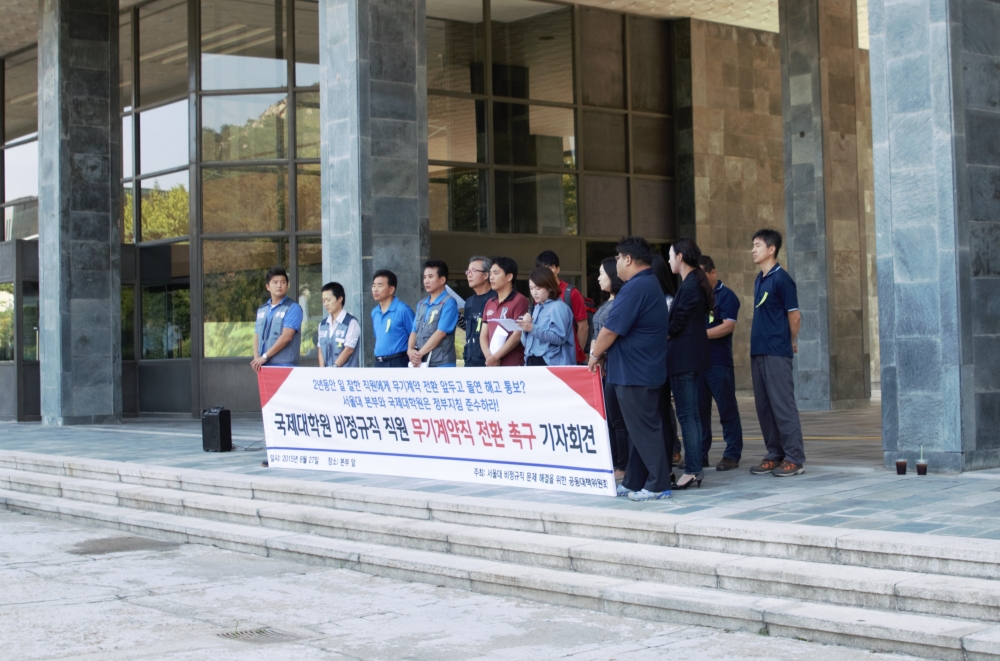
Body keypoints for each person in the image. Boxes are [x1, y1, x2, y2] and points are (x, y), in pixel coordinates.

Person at [589, 237, 671, 502]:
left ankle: (659, 484)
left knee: (645, 429)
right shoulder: (645, 284)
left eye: (617, 258)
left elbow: (610, 330)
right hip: (635, 370)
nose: (616, 263)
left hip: (637, 372)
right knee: (638, 430)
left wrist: (595, 355)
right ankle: (634, 481)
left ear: (628, 259)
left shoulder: (636, 287)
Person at [749, 229, 806, 477]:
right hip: (759, 350)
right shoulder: (759, 279)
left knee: (783, 405)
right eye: (753, 245)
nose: (753, 250)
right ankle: (775, 453)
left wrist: (790, 340)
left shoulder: (782, 279)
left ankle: (795, 457)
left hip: (777, 351)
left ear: (771, 249)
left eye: (758, 245)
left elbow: (795, 316)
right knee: (765, 407)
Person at [667, 238, 713, 490]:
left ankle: (693, 469)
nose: (669, 260)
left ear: (680, 256)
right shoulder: (694, 282)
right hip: (690, 356)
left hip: (684, 357)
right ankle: (694, 468)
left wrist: (661, 332)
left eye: (671, 255)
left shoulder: (691, 285)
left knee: (687, 415)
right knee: (691, 415)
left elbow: (676, 324)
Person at [697, 256, 744, 470]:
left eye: (702, 275)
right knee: (699, 410)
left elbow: (728, 326)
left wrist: (699, 335)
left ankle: (732, 453)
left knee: (727, 408)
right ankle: (700, 453)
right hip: (698, 362)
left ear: (713, 273)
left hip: (718, 362)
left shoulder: (726, 296)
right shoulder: (696, 296)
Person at [595, 257, 629, 480]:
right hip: (602, 366)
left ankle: (622, 465)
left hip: (613, 366)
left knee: (618, 420)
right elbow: (597, 334)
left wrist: (597, 355)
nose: (598, 278)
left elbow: (611, 335)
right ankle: (614, 461)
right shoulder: (607, 301)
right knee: (609, 419)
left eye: (602, 274)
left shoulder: (621, 302)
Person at [651, 253, 681, 471]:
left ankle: (673, 449)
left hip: (662, 361)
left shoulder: (668, 301)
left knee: (664, 408)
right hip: (651, 362)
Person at [536, 250, 589, 363]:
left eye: (550, 267)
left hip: (567, 358)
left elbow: (583, 326)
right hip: (545, 357)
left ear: (558, 269)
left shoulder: (571, 293)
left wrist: (576, 355)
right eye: (543, 269)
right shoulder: (538, 295)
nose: (547, 272)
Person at [517, 267, 576, 366]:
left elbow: (559, 338)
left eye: (538, 288)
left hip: (551, 363)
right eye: (531, 288)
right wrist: (525, 328)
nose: (534, 292)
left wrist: (532, 328)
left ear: (549, 287)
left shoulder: (558, 307)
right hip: (531, 360)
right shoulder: (535, 308)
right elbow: (525, 343)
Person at [251, 266, 303, 374]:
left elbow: (287, 337)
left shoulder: (292, 308)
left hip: (284, 367)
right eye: (275, 282)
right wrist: (256, 359)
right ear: (267, 286)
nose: (279, 285)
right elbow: (257, 335)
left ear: (287, 285)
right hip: (263, 366)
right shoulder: (262, 310)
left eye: (283, 282)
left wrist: (264, 357)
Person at [409, 260, 459, 368]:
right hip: (421, 363)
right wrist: (410, 350)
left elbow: (441, 333)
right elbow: (414, 330)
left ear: (442, 280)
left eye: (430, 277)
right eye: (424, 277)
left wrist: (419, 354)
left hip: (442, 364)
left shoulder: (449, 302)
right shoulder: (421, 304)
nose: (426, 281)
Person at [481, 256, 529, 367]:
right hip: (492, 364)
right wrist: (489, 357)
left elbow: (517, 335)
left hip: (512, 364)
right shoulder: (489, 303)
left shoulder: (520, 300)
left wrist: (495, 357)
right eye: (490, 274)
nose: (491, 277)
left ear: (509, 277)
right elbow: (483, 335)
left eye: (496, 273)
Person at [371, 269, 415, 368]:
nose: (375, 289)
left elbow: (415, 334)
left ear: (391, 289)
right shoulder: (375, 312)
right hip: (379, 363)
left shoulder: (403, 310)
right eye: (374, 285)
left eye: (380, 285)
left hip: (398, 361)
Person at [460, 256, 497, 367]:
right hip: (470, 358)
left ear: (486, 275)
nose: (469, 275)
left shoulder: (496, 298)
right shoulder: (469, 301)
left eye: (474, 271)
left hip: (490, 359)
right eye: (468, 271)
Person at [317, 281, 361, 368]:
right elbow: (320, 349)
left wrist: (334, 367)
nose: (326, 304)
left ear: (340, 299)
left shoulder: (351, 322)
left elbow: (349, 349)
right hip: (327, 374)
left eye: (328, 300)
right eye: (323, 301)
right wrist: (322, 370)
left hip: (346, 374)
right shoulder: (322, 325)